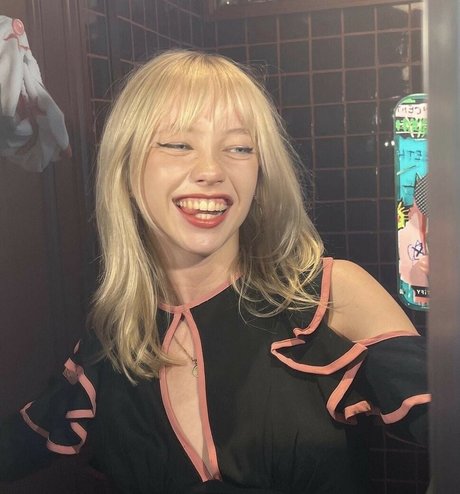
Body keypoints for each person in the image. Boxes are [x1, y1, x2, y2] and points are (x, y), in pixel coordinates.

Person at [0, 50, 430, 493]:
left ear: (260, 172)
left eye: (239, 148)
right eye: (178, 144)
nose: (211, 171)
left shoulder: (330, 296)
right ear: (126, 169)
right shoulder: (112, 342)